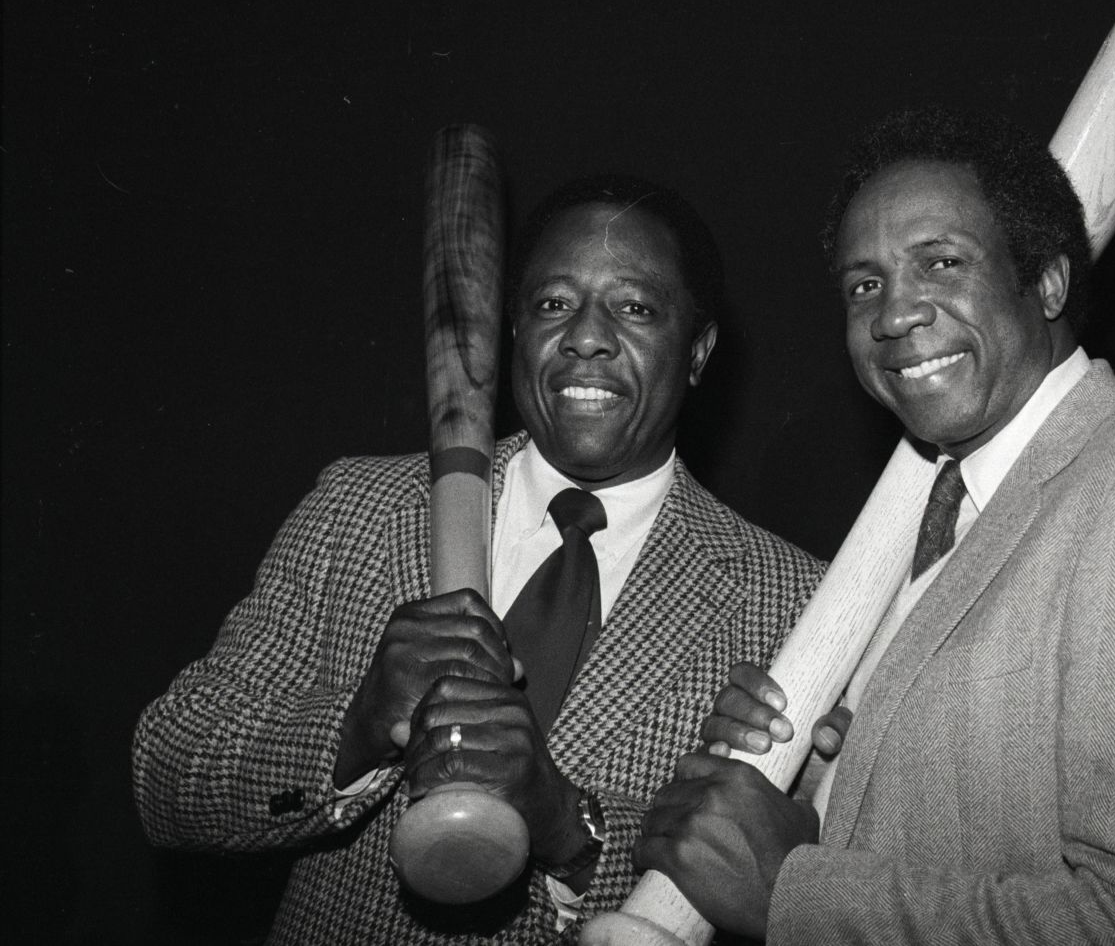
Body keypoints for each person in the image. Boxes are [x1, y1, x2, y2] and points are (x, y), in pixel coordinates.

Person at [636, 108, 1115, 944]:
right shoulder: (924, 520)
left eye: (942, 262)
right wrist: (804, 779)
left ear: (1050, 284)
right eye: (864, 285)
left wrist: (795, 894)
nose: (894, 314)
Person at [133, 174, 825, 943]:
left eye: (634, 308)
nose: (585, 336)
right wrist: (355, 729)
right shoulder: (359, 507)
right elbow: (167, 781)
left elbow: (790, 894)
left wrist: (568, 827)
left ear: (696, 352)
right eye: (553, 304)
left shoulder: (797, 603)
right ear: (512, 335)